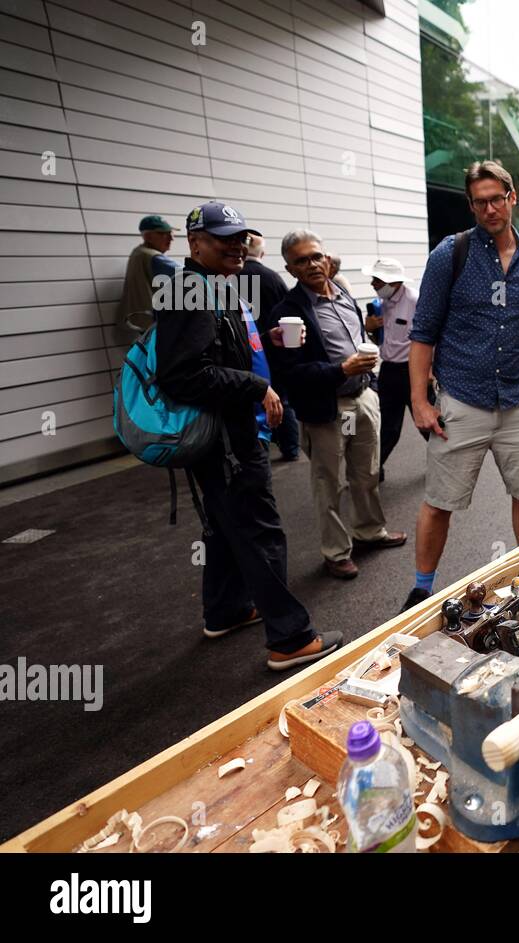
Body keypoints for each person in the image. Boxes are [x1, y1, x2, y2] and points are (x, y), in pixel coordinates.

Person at [154, 201, 341, 671]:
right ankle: (290, 638)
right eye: (223, 238)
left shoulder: (212, 284)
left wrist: (263, 348)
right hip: (227, 441)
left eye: (240, 237)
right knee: (260, 531)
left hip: (229, 437)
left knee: (224, 527)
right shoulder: (189, 292)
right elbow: (182, 375)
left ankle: (226, 610)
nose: (236, 246)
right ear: (194, 243)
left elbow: (220, 353)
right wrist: (257, 385)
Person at [403, 160, 519, 611]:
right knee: (439, 501)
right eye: (480, 202)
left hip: (517, 403)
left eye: (497, 198)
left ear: (512, 198)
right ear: (471, 206)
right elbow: (422, 333)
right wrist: (419, 400)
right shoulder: (449, 255)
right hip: (462, 402)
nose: (490, 208)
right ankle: (421, 587)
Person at [265, 231, 406, 580]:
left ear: (327, 259)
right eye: (301, 261)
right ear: (290, 269)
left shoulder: (343, 294)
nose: (312, 264)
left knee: (367, 473)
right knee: (328, 484)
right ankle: (335, 552)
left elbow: (357, 340)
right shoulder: (288, 313)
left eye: (316, 256)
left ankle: (370, 532)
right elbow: (291, 372)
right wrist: (340, 370)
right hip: (326, 409)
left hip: (363, 398)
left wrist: (368, 381)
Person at [360, 257, 430, 475]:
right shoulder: (379, 304)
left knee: (427, 424)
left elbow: (432, 336)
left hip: (413, 371)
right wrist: (369, 327)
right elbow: (379, 339)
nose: (373, 284)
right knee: (387, 427)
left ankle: (447, 463)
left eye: (377, 281)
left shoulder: (416, 300)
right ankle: (373, 471)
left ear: (394, 282)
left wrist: (431, 370)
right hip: (388, 371)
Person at [242, 234, 298, 462]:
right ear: (262, 254)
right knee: (281, 398)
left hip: (244, 351)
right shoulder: (271, 278)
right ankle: (290, 447)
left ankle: (260, 441)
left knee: (251, 399)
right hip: (272, 348)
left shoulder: (226, 278)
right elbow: (288, 311)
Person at [117, 215, 175, 332]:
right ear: (148, 236)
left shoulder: (138, 252)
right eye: (164, 233)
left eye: (171, 233)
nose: (171, 238)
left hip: (140, 321)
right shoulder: (153, 257)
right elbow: (193, 275)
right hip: (153, 323)